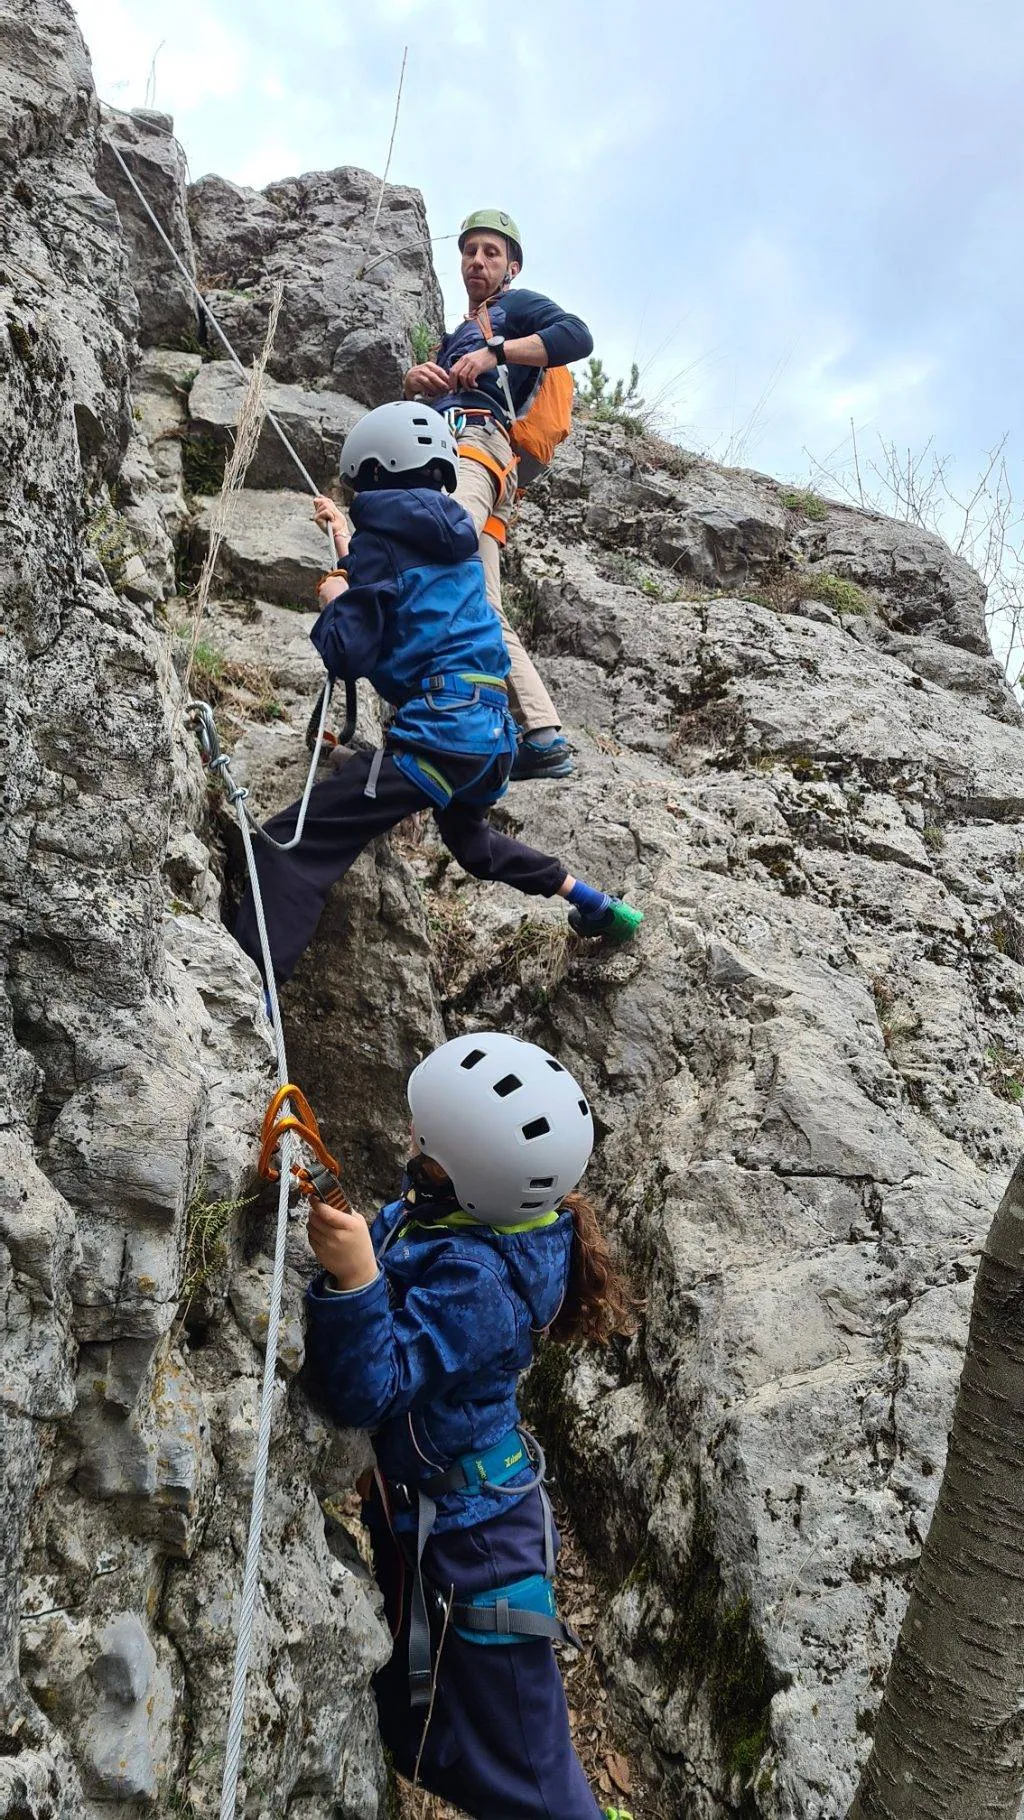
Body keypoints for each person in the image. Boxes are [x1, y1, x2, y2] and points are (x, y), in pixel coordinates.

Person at [303, 1030, 637, 1820]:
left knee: (532, 1768)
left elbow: (369, 1390)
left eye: (424, 1146)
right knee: (454, 1719)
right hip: (441, 1511)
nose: (409, 1142)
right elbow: (400, 1251)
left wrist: (353, 1282)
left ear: (459, 1176)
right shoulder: (459, 1220)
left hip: (476, 1540)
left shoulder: (480, 1282)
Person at [234, 402, 642, 986]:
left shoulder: (384, 543)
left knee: (290, 842)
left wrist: (332, 599)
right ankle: (596, 903)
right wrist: (346, 544)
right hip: (490, 740)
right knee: (473, 847)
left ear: (373, 472)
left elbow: (349, 649)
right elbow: (403, 588)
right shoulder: (457, 545)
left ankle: (253, 993)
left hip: (442, 735)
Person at [403, 209, 593, 784]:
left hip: (476, 448)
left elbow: (577, 336)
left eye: (491, 252)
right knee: (480, 600)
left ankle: (439, 723)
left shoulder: (516, 309)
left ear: (511, 266)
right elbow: (429, 398)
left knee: (437, 552)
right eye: (469, 252)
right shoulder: (457, 336)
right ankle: (541, 735)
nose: (477, 261)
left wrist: (497, 351)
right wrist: (418, 382)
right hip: (467, 454)